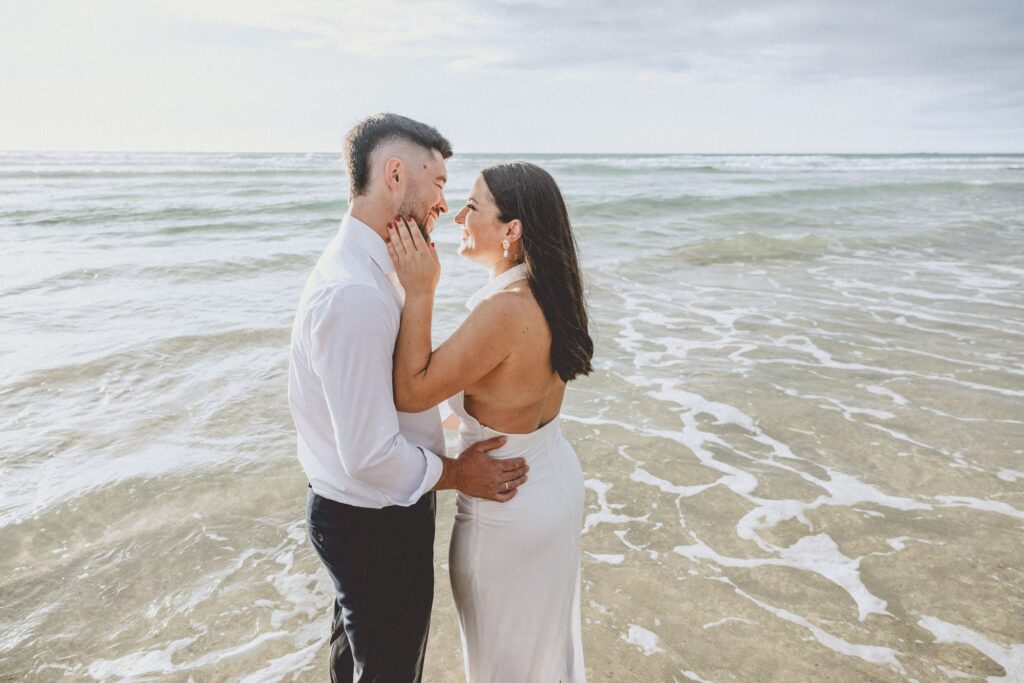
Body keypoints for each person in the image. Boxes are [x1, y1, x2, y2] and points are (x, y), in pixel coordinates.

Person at [288, 113, 529, 683]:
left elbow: (392, 388)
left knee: (359, 666)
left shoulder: (379, 266)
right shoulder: (355, 294)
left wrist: (454, 411)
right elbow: (370, 456)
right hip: (373, 521)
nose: (444, 204)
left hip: (362, 512)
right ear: (395, 174)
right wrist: (459, 474)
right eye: (440, 183)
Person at [387, 161, 594, 682]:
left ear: (512, 230)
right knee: (542, 656)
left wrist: (420, 290)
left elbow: (412, 392)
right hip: (554, 482)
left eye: (472, 207)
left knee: (500, 666)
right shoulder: (548, 294)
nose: (457, 215)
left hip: (508, 506)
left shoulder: (505, 309)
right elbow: (506, 400)